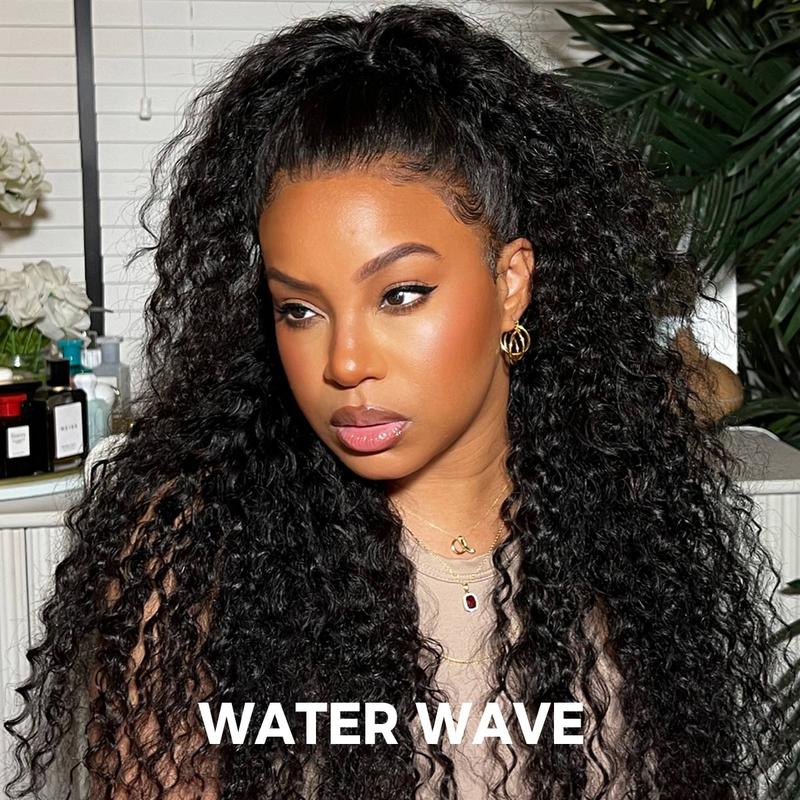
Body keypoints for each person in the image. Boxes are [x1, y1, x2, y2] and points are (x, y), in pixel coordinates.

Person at [4, 4, 790, 799]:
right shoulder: (199, 558)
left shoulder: (628, 522)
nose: (344, 363)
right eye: (299, 309)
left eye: (401, 294)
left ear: (510, 283)